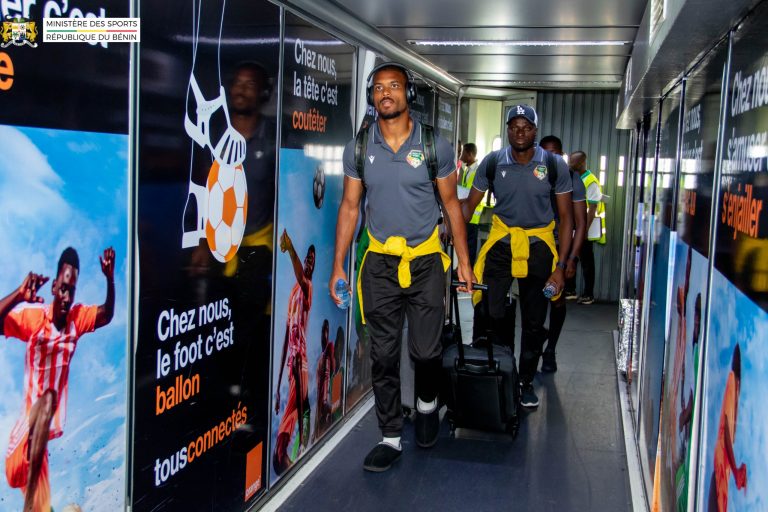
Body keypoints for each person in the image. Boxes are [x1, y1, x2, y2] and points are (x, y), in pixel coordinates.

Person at [330, 62, 472, 472]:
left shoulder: (433, 145)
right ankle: (390, 436)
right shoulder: (360, 148)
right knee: (383, 354)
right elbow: (350, 207)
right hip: (379, 263)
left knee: (426, 351)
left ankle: (427, 401)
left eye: (394, 86)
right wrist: (338, 265)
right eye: (378, 88)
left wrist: (464, 263)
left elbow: (452, 206)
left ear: (408, 94)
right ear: (371, 97)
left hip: (425, 261)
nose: (385, 93)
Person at [462, 105, 573, 409]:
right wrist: (447, 230)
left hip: (539, 246)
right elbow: (468, 207)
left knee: (534, 320)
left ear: (535, 130)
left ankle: (525, 382)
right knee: (491, 312)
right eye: (514, 127)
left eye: (526, 127)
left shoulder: (553, 165)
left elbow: (566, 218)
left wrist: (561, 266)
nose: (520, 132)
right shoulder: (493, 162)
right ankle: (502, 373)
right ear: (508, 130)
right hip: (502, 242)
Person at [1, 247, 115, 512]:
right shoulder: (35, 318)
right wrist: (18, 295)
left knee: (68, 509)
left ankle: (38, 507)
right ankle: (29, 507)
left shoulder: (77, 319)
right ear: (54, 287)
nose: (66, 297)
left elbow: (106, 315)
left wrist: (110, 279)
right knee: (48, 398)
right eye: (62, 289)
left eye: (71, 291)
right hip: (21, 443)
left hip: (38, 457)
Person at [538, 135, 587, 372]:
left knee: (555, 299)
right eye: (546, 153)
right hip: (534, 247)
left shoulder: (572, 179)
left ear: (562, 155)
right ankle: (538, 337)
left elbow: (580, 223)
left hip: (560, 249)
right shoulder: (531, 174)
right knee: (534, 302)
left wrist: (571, 259)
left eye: (556, 153)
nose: (551, 158)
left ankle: (550, 350)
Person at [273, 229, 315, 475]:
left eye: (311, 260)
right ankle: (286, 457)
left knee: (300, 405)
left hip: (301, 360)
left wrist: (290, 249)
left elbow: (300, 276)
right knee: (293, 411)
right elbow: (286, 338)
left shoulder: (307, 287)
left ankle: (298, 451)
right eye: (307, 258)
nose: (308, 262)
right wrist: (279, 381)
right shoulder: (292, 294)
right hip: (291, 362)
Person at [708, 344, 747, 511]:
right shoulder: (732, 381)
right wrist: (737, 471)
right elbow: (725, 437)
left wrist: (736, 472)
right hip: (719, 475)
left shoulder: (735, 400)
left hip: (722, 480)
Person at [567, 150, 606, 304]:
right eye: (570, 161)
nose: (571, 164)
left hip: (584, 228)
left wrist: (584, 231)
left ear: (583, 162)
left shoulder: (590, 181)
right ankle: (570, 290)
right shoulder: (573, 177)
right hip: (573, 227)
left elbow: (592, 209)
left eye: (574, 162)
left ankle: (588, 295)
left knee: (586, 261)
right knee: (571, 257)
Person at [457, 143, 483, 266]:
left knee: (470, 249)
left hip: (473, 216)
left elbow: (473, 194)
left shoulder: (477, 171)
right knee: (464, 246)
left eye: (463, 153)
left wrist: (458, 200)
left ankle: (469, 270)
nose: (461, 156)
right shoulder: (467, 170)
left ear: (470, 154)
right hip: (464, 213)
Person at [313, 319, 335, 442]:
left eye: (326, 331)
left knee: (327, 421)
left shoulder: (329, 350)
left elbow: (332, 371)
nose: (324, 335)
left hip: (327, 396)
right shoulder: (321, 358)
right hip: (321, 398)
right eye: (323, 332)